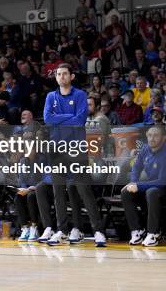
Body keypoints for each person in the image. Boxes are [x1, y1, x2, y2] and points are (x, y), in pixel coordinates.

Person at [43, 63, 107, 247]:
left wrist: (59, 118)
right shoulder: (50, 96)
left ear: (71, 76)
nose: (61, 76)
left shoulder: (80, 95)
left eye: (64, 74)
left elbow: (80, 120)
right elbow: (47, 119)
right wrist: (68, 117)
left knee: (84, 190)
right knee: (58, 192)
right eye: (58, 74)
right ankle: (61, 230)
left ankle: (98, 231)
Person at [121, 126, 166, 247]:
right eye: (150, 135)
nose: (152, 138)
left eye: (156, 135)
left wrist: (138, 185)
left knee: (151, 192)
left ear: (163, 138)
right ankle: (137, 230)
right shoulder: (145, 149)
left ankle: (153, 233)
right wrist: (133, 182)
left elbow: (163, 181)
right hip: (150, 186)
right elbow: (136, 167)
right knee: (126, 192)